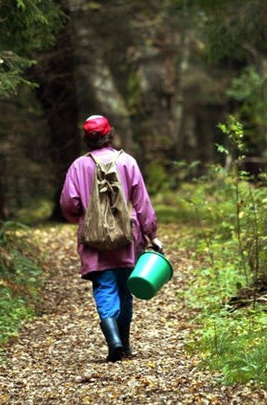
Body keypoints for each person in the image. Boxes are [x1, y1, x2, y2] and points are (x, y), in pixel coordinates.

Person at [60, 114, 163, 362]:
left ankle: (113, 340)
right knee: (125, 289)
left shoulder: (78, 166)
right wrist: (152, 235)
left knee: (104, 286)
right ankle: (124, 343)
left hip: (94, 241)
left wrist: (84, 218)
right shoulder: (127, 162)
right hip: (127, 238)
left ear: (86, 139)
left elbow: (69, 203)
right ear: (111, 133)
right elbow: (142, 203)